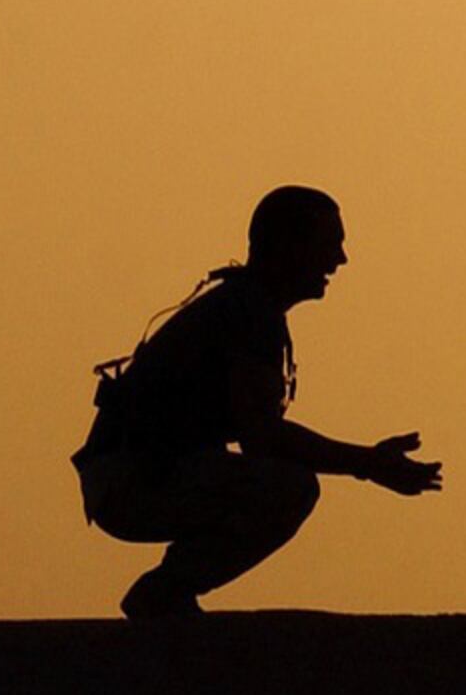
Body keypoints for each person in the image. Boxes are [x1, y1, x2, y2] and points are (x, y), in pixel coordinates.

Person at [73, 186, 442, 619]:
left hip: (138, 477)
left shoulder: (247, 308)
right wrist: (368, 463)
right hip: (135, 481)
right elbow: (263, 437)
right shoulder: (249, 314)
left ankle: (168, 594)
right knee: (287, 489)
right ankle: (164, 593)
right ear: (288, 245)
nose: (340, 260)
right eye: (329, 244)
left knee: (277, 483)